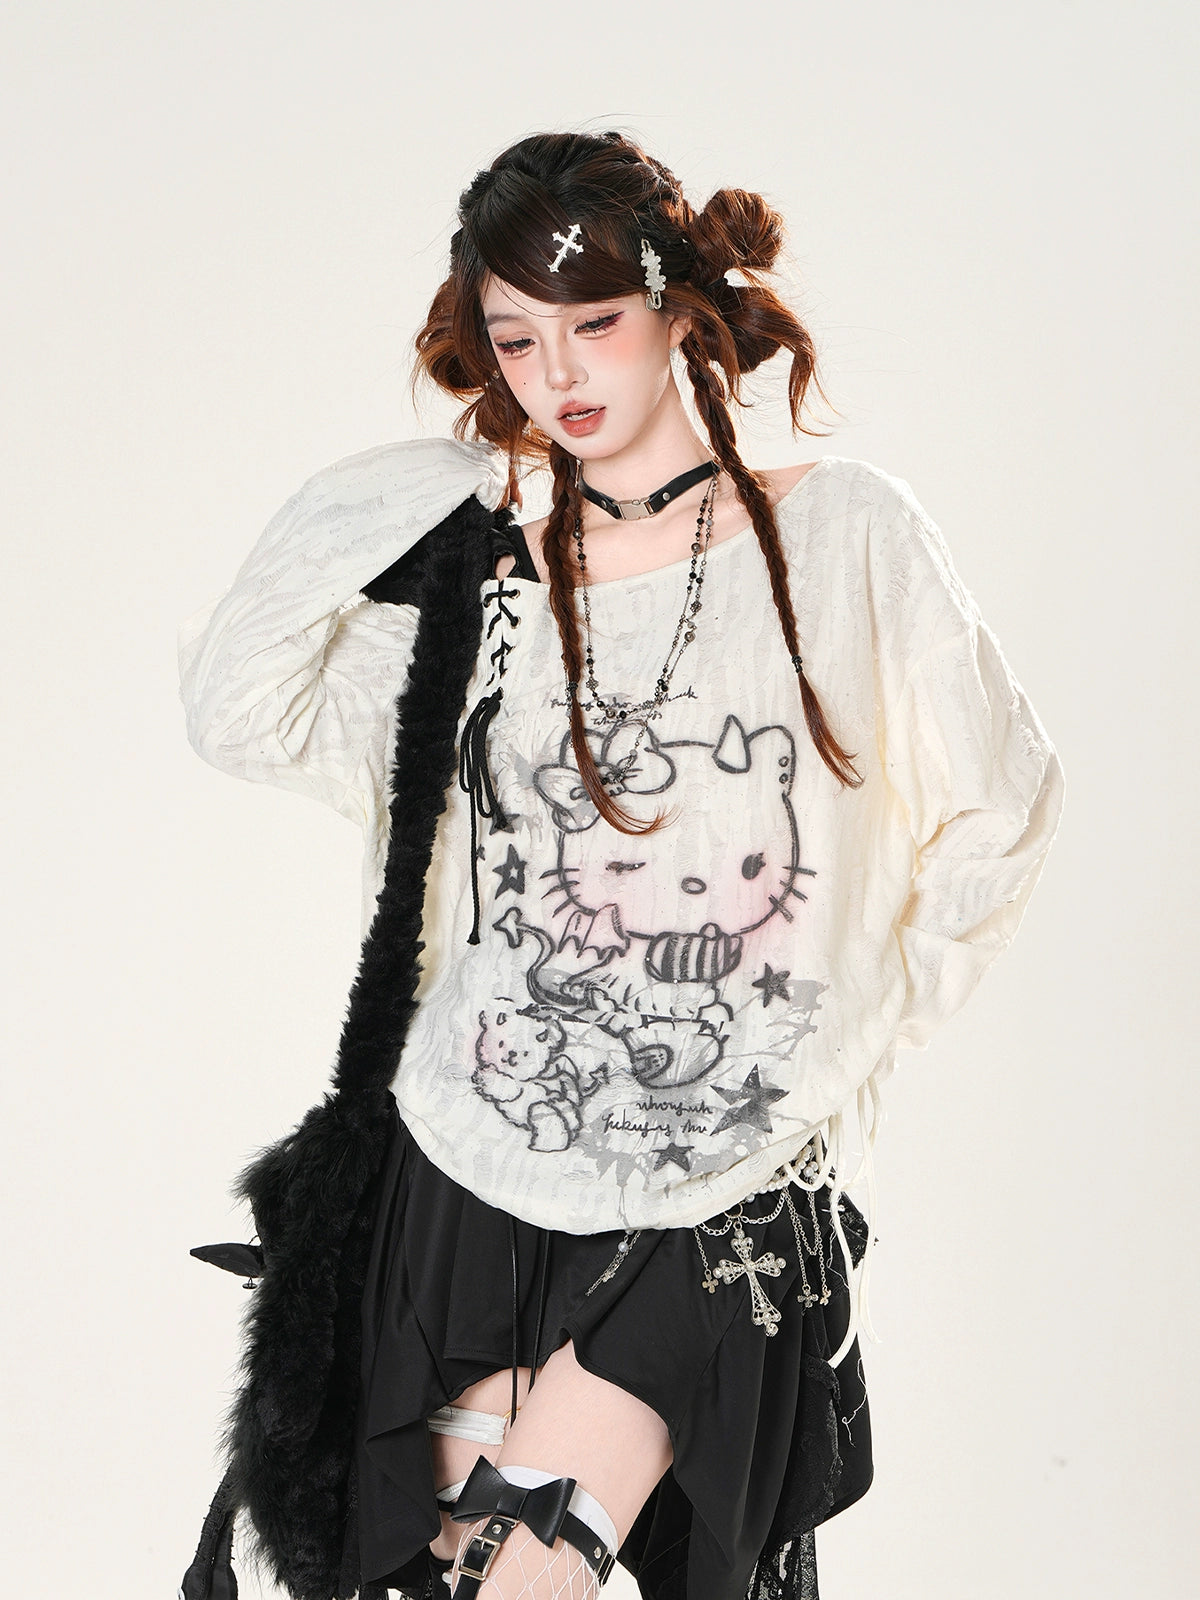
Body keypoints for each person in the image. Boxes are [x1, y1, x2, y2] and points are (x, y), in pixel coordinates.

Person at [177, 131, 1065, 1600]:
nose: (559, 373)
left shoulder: (842, 535)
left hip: (716, 1184)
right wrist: (430, 480)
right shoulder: (486, 582)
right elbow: (241, 709)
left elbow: (1004, 805)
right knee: (440, 1580)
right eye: (516, 338)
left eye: (593, 322)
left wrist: (845, 1039)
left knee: (528, 1576)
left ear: (677, 310)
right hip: (472, 1162)